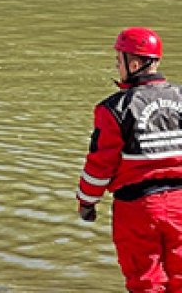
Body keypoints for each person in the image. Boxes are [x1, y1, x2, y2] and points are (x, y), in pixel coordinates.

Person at [77, 27, 182, 293]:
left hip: (139, 208)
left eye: (118, 62)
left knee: (145, 281)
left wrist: (87, 202)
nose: (117, 68)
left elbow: (100, 166)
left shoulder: (114, 109)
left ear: (134, 64)